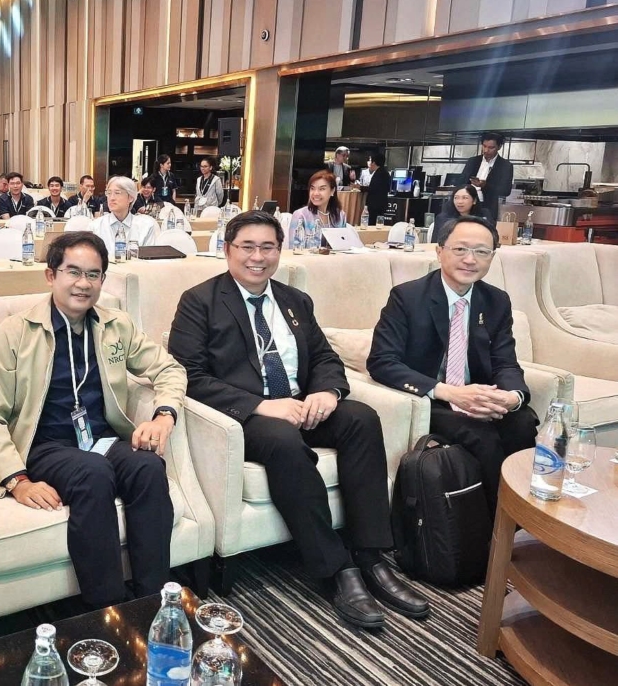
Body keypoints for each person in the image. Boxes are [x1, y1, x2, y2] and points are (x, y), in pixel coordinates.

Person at [168, 210, 429, 629]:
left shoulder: (294, 300)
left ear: (280, 250)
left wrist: (327, 392)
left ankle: (371, 555)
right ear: (228, 250)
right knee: (284, 440)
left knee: (361, 418)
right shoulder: (199, 301)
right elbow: (190, 376)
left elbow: (325, 357)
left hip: (301, 403)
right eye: (247, 247)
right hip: (248, 415)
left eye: (267, 247)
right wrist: (260, 406)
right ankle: (336, 568)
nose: (258, 257)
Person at [0, 231, 186, 608]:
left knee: (149, 467)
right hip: (45, 446)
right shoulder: (16, 333)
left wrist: (164, 414)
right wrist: (17, 480)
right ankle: (108, 609)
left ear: (103, 279)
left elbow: (168, 369)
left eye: (93, 274)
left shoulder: (116, 325)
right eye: (73, 272)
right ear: (51, 275)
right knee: (93, 473)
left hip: (102, 439)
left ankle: (152, 602)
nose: (83, 283)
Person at [367, 216, 538, 512]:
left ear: (492, 258)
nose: (470, 260)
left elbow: (505, 362)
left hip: (478, 396)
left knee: (522, 422)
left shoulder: (496, 301)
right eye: (460, 249)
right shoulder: (407, 297)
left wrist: (512, 397)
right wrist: (449, 392)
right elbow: (381, 361)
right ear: (439, 251)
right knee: (482, 437)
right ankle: (498, 524)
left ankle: (526, 517)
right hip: (433, 399)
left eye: (482, 252)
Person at [457, 132, 513, 221]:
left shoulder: (505, 165)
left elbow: (505, 190)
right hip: (468, 206)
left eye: (491, 147)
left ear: (499, 147)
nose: (486, 150)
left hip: (489, 208)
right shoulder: (473, 161)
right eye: (484, 146)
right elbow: (460, 183)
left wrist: (485, 185)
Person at [90, 176, 159, 249]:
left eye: (117, 193)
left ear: (131, 197)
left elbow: (149, 256)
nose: (112, 198)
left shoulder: (146, 227)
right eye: (109, 193)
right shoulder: (95, 227)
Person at [289, 170, 347, 244]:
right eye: (312, 188)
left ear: (332, 191)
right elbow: (293, 247)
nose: (316, 193)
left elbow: (344, 244)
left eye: (322, 189)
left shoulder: (340, 215)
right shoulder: (300, 215)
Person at [363, 152, 391, 222]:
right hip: (381, 204)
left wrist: (360, 187)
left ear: (374, 163)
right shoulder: (384, 172)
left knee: (373, 223)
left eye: (371, 161)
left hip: (376, 205)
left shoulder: (379, 173)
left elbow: (373, 189)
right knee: (378, 223)